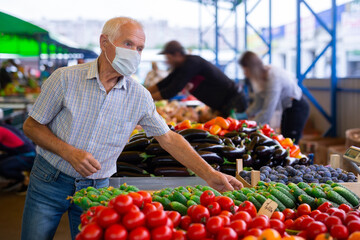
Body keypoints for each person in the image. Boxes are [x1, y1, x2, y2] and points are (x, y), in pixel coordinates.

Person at [21, 17, 243, 240]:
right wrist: (69, 152)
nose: (135, 53)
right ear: (104, 42)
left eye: (140, 48)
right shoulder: (65, 78)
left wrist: (210, 174)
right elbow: (32, 126)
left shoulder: (139, 96)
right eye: (128, 44)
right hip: (50, 178)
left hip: (97, 187)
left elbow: (168, 138)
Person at [148, 40, 247, 117]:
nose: (167, 62)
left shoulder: (191, 63)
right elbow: (165, 83)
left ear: (177, 54)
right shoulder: (182, 66)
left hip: (234, 101)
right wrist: (143, 93)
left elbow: (172, 90)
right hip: (225, 104)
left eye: (169, 58)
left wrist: (146, 98)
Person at [239, 51, 310, 143]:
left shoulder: (273, 77)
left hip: (297, 107)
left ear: (253, 68)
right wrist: (245, 114)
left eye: (246, 70)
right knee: (284, 140)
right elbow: (258, 104)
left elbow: (267, 111)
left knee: (290, 142)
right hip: (287, 109)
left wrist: (248, 127)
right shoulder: (259, 80)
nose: (245, 74)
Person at [0, 124, 35, 193]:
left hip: (28, 156)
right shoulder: (3, 126)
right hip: (23, 153)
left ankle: (25, 180)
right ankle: (15, 179)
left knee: (2, 167)